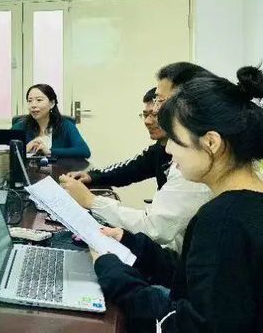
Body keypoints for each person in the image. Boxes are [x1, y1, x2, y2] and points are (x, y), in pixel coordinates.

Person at [92, 66, 263, 333]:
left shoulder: (222, 221)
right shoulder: (244, 204)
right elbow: (195, 279)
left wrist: (111, 270)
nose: (169, 150)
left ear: (211, 143)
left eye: (175, 139)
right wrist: (130, 242)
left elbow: (184, 325)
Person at [60, 62, 213, 251]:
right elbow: (132, 168)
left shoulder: (196, 161)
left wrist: (92, 201)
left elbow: (157, 228)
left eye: (160, 101)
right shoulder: (180, 151)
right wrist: (93, 178)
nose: (154, 112)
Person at [68, 87, 170, 189]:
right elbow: (128, 170)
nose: (147, 121)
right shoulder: (158, 149)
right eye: (145, 115)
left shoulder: (178, 158)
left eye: (155, 115)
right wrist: (92, 176)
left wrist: (87, 197)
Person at [11, 84, 90, 158]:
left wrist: (50, 152)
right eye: (30, 101)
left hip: (60, 168)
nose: (33, 105)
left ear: (52, 103)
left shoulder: (65, 125)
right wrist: (24, 149)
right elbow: (5, 152)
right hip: (28, 168)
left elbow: (84, 151)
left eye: (39, 100)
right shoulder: (19, 126)